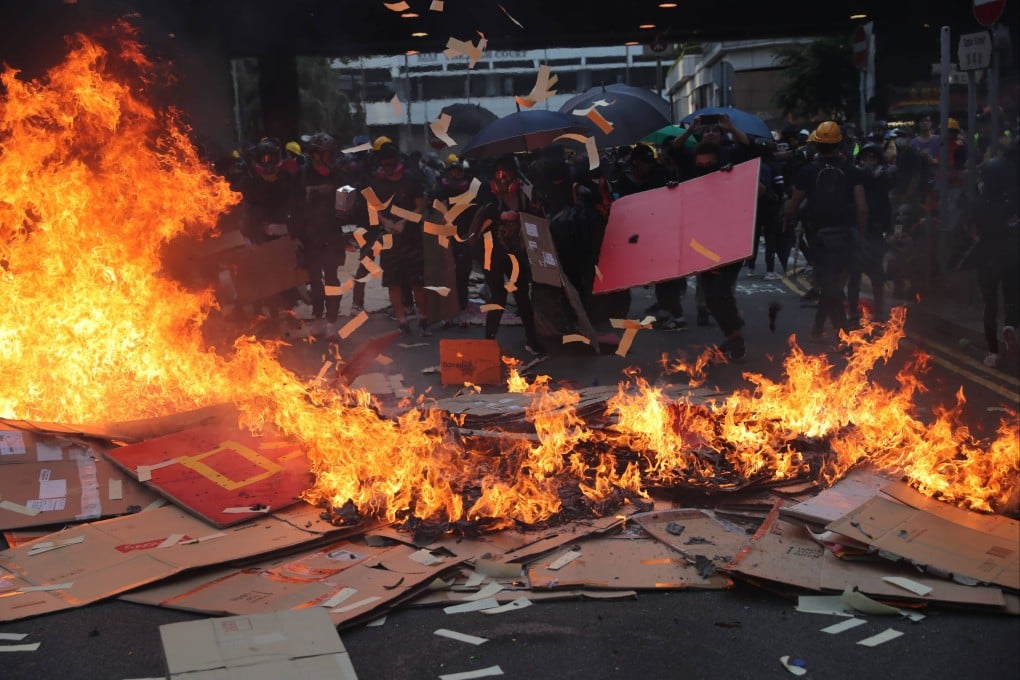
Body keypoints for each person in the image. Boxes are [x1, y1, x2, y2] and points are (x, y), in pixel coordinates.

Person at [784, 121, 868, 344]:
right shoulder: (852, 171)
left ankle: (839, 332)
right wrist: (861, 236)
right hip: (847, 237)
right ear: (840, 143)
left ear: (816, 145)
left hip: (819, 238)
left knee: (829, 283)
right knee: (834, 284)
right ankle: (822, 327)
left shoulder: (808, 172)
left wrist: (788, 224)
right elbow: (861, 208)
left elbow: (793, 206)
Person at [467, 154, 546, 356]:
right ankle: (489, 341)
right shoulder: (487, 190)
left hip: (516, 251)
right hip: (491, 251)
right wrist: (500, 215)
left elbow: (539, 214)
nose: (502, 177)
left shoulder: (525, 190)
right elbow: (481, 210)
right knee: (498, 295)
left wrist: (530, 207)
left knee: (521, 295)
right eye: (498, 173)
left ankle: (532, 340)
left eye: (506, 172)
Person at [612, 143, 687, 327]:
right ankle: (666, 308)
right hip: (651, 233)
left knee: (667, 277)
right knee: (662, 276)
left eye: (642, 164)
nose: (640, 168)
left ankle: (675, 315)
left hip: (664, 232)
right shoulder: (637, 176)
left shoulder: (660, 175)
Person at [689, 141, 747, 360]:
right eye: (700, 164)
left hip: (729, 246)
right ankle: (733, 334)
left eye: (709, 164)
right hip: (704, 247)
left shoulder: (730, 179)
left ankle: (736, 337)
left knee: (720, 292)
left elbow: (758, 190)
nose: (705, 167)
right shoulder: (694, 184)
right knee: (712, 298)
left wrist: (733, 177)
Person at [368, 141, 431, 336]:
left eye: (390, 165)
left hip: (411, 237)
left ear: (397, 163)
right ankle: (401, 320)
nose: (387, 168)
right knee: (393, 281)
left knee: (417, 281)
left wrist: (405, 221)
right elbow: (373, 208)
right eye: (383, 165)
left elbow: (421, 206)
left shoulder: (411, 179)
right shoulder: (378, 183)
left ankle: (423, 318)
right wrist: (385, 221)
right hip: (389, 238)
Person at [963, 155, 1019, 368]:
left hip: (987, 258)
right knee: (1012, 298)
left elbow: (968, 228)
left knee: (990, 305)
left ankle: (993, 353)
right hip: (1012, 256)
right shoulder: (1012, 202)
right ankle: (1010, 325)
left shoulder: (978, 203)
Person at [293, 132, 345, 338]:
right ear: (314, 155)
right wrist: (295, 235)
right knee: (314, 280)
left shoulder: (338, 176)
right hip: (309, 238)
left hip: (332, 236)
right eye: (324, 155)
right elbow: (294, 208)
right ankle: (317, 319)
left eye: (330, 155)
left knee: (332, 278)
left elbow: (349, 204)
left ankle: (332, 321)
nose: (328, 159)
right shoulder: (302, 176)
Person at [847, 142, 892, 323]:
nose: (868, 161)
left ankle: (880, 311)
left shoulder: (883, 179)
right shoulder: (855, 178)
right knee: (854, 273)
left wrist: (890, 230)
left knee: (876, 274)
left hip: (874, 232)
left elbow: (887, 206)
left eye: (872, 158)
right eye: (865, 158)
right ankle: (852, 310)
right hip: (856, 231)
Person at [432, 153, 478, 328]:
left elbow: (476, 211)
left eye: (458, 172)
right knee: (446, 275)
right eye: (452, 172)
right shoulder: (441, 187)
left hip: (465, 235)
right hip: (445, 235)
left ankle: (462, 310)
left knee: (463, 275)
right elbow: (434, 204)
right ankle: (448, 312)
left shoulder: (471, 188)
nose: (455, 175)